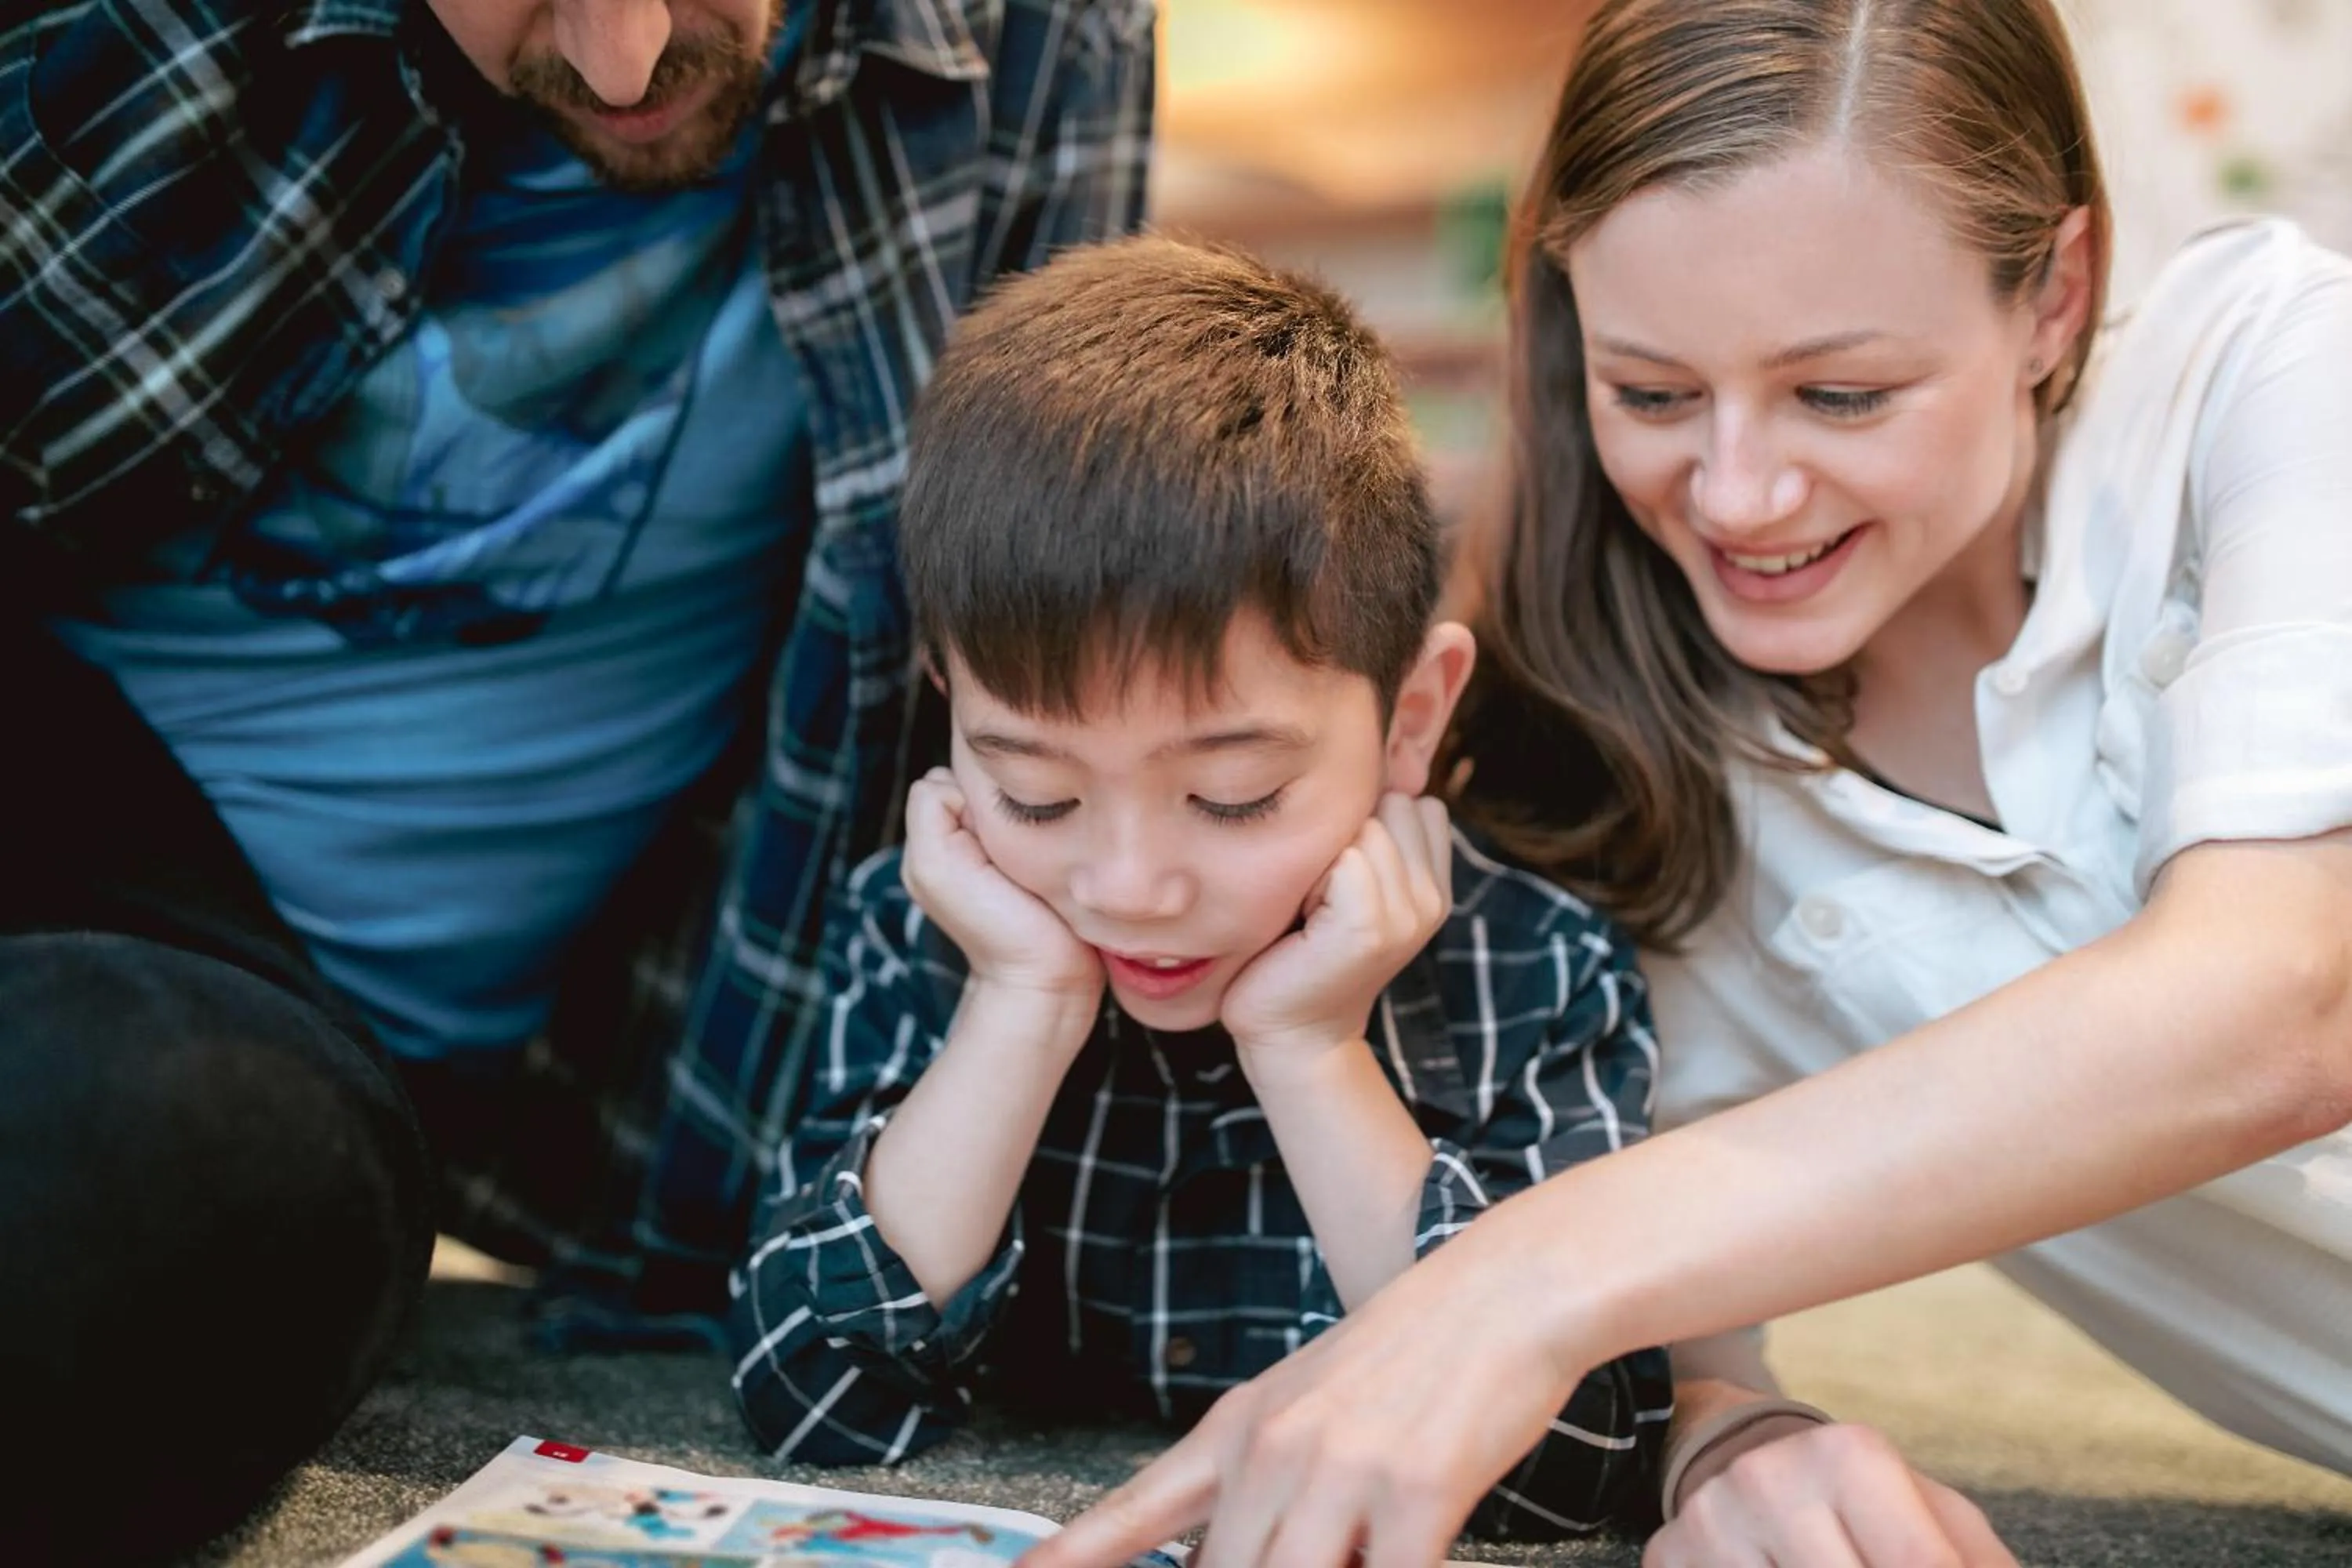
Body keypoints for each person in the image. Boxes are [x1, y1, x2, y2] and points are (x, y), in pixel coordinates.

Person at [1018, 2, 2352, 1566]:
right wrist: (1734, 1430)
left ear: (2054, 297)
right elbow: (1672, 1253)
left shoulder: (2269, 369)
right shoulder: (1598, 774)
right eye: (1652, 393)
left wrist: (1517, 1278)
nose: (1736, 494)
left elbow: (2287, 994)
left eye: (1842, 395)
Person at [0, 0, 1149, 1557]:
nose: (622, 64)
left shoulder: (1044, 41)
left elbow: (1038, 643)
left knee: (160, 1159)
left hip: (294, 1074)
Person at [725, 235, 1673, 1538]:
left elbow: (1568, 1469)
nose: (1128, 889)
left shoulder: (1540, 971)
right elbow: (810, 1393)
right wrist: (1018, 1001)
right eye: (1039, 795)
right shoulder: (935, 924)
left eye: (1234, 799)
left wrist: (1310, 1046)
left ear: (1411, 720)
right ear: (950, 710)